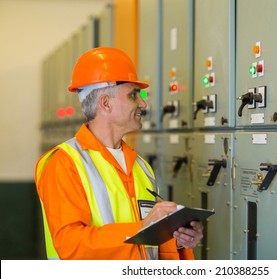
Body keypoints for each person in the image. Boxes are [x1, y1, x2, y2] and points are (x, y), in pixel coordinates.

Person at [34, 47, 203, 260]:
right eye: (134, 95)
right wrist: (141, 227)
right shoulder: (63, 163)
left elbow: (148, 244)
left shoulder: (141, 166)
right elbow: (70, 245)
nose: (143, 103)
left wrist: (177, 239)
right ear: (106, 103)